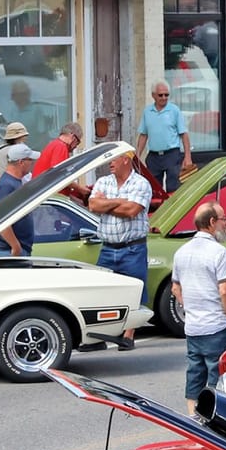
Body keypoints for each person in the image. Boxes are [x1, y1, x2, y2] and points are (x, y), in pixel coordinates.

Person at [76, 151, 153, 352]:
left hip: (132, 247)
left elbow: (132, 211)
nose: (110, 163)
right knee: (102, 293)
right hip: (108, 247)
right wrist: (120, 201)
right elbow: (93, 204)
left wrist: (107, 203)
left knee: (134, 292)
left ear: (126, 159)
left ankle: (128, 336)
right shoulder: (103, 181)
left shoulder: (140, 183)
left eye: (114, 159)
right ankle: (99, 337)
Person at [172, 203, 226, 404]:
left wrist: (190, 307)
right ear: (212, 222)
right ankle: (212, 428)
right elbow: (225, 290)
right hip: (216, 326)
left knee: (194, 377)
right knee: (218, 380)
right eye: (223, 220)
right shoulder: (220, 252)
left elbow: (176, 288)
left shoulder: (180, 252)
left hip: (193, 327)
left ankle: (194, 422)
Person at [136, 83, 190, 191]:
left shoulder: (174, 110)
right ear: (153, 95)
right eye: (161, 95)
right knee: (153, 189)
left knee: (173, 188)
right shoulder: (147, 112)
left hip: (172, 154)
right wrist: (137, 156)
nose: (164, 98)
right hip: (153, 157)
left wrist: (188, 157)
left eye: (166, 95)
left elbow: (184, 134)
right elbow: (143, 135)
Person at [0, 145, 39, 256]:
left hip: (17, 249)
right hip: (9, 250)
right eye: (30, 160)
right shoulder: (7, 186)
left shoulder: (15, 182)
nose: (32, 163)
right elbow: (1, 221)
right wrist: (15, 246)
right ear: (21, 162)